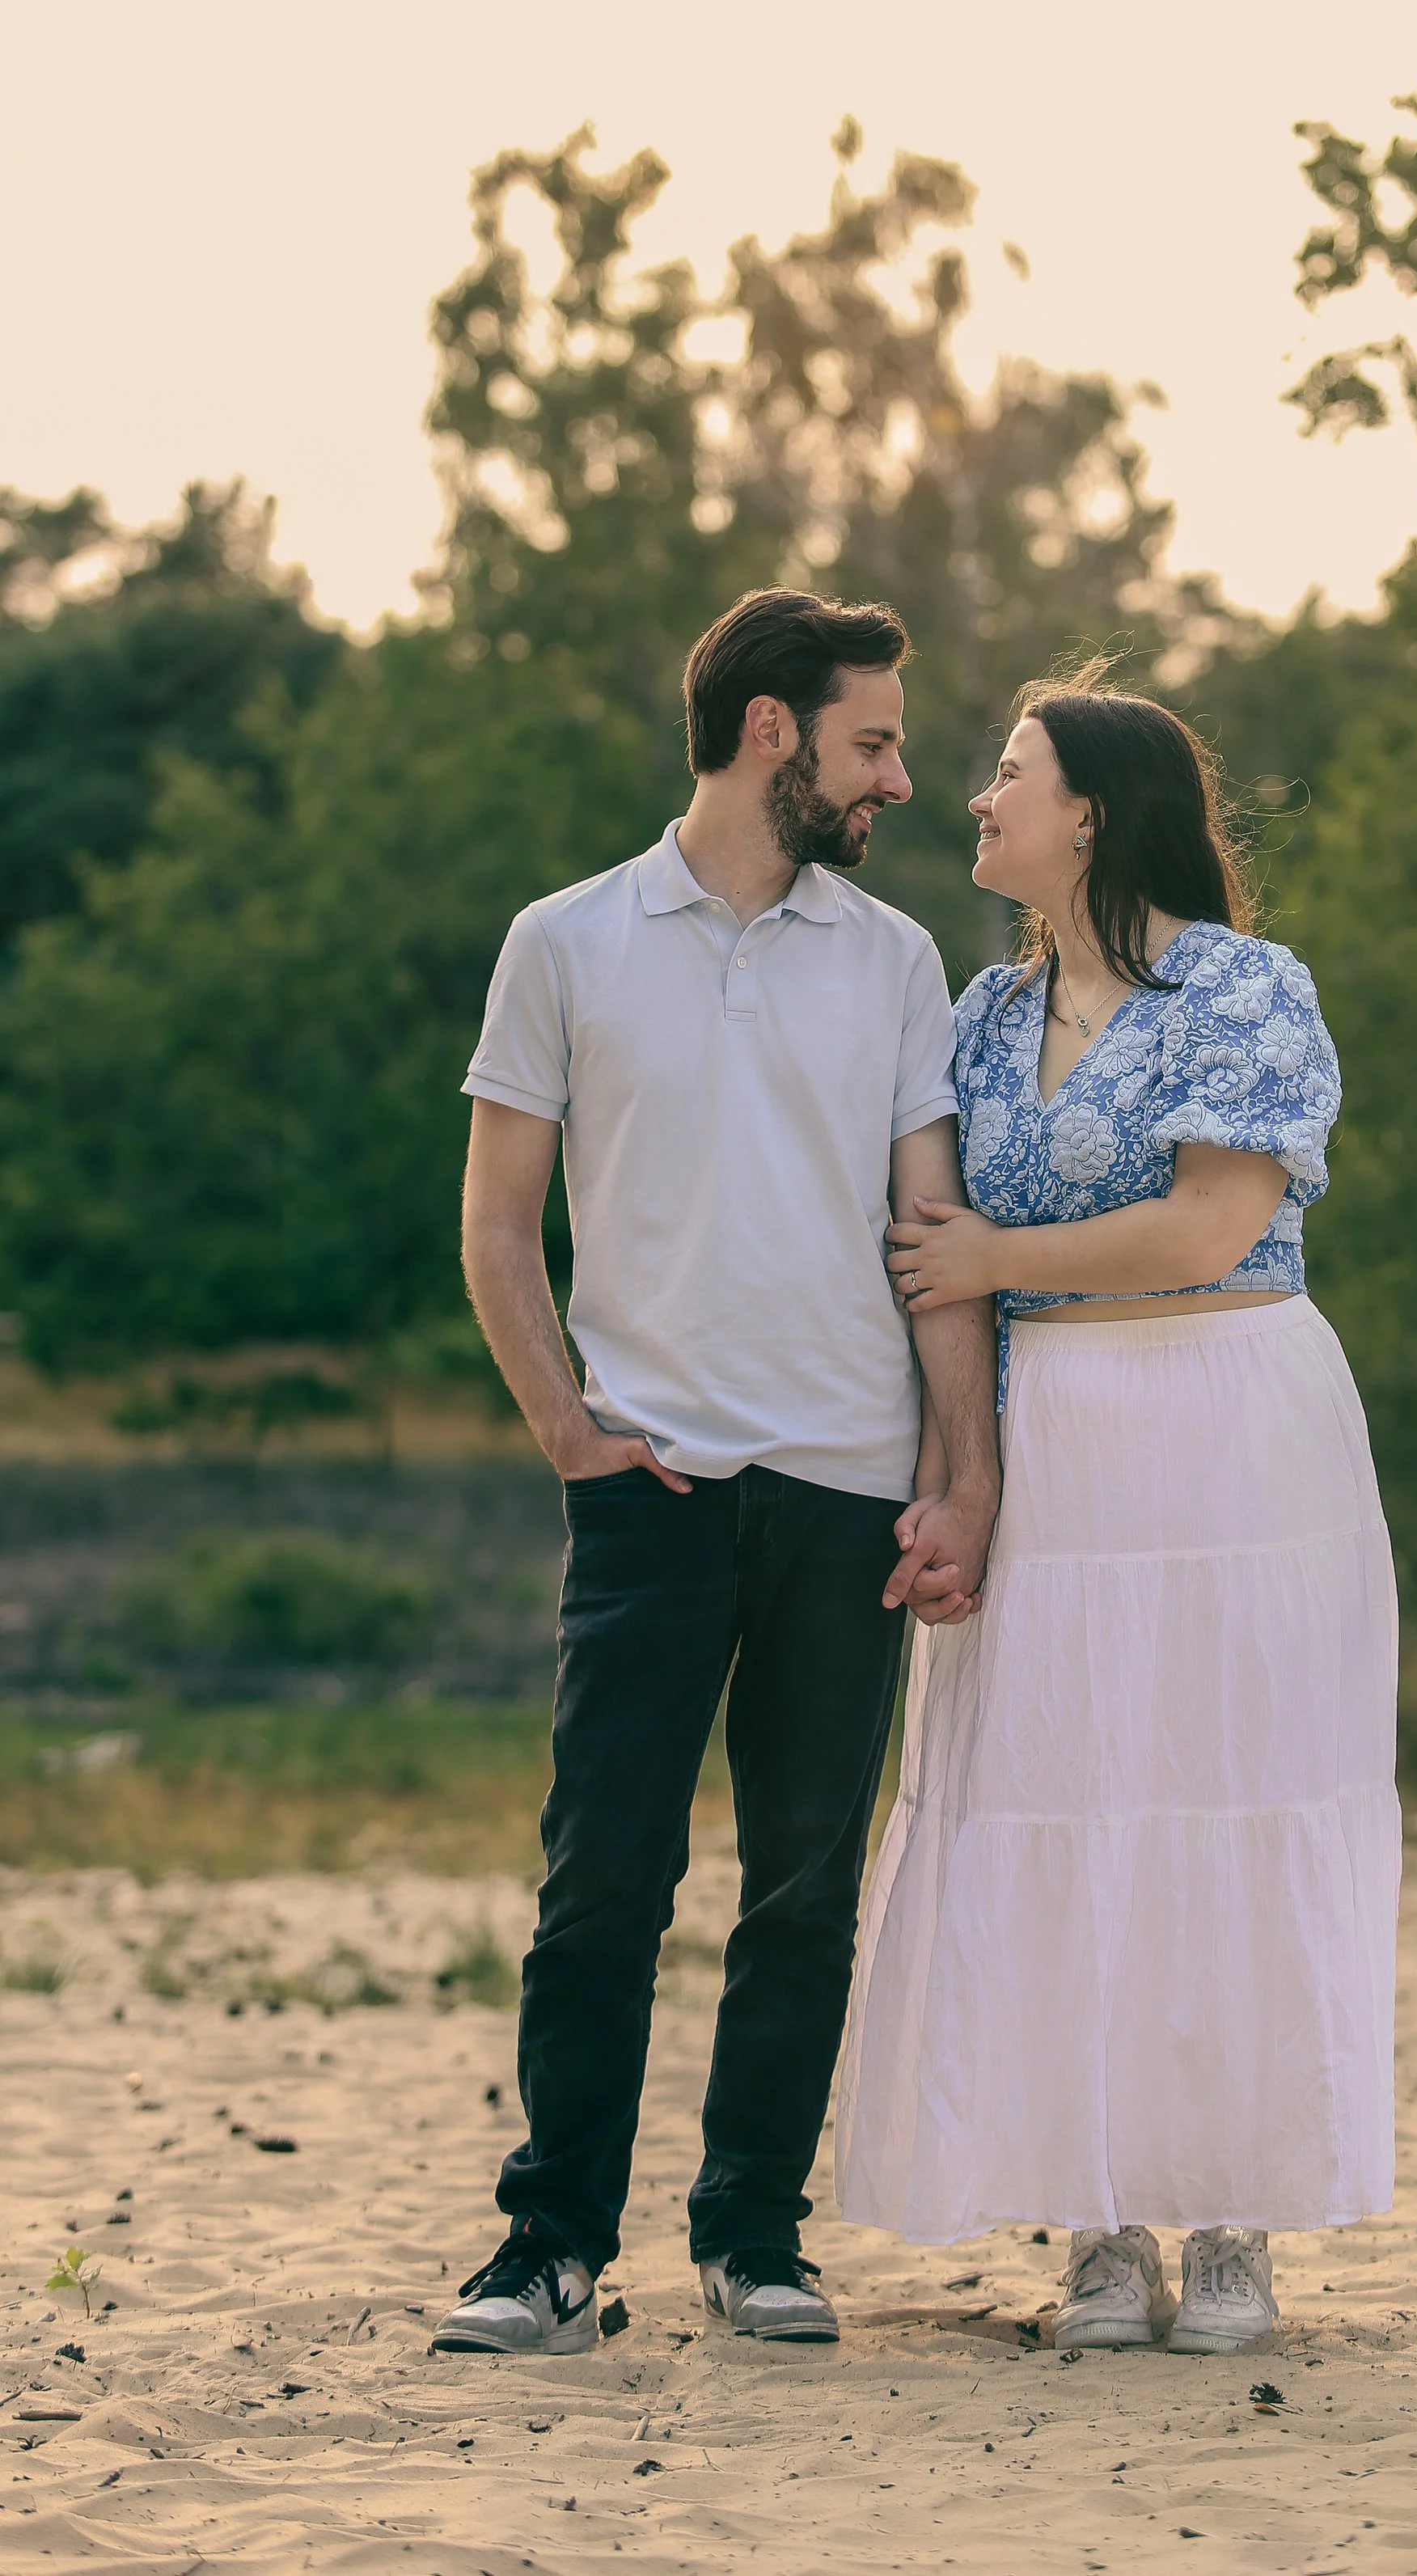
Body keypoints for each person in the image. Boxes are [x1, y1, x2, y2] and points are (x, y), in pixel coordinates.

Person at [431, 587, 998, 2358]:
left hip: (844, 1490)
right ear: (773, 733)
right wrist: (572, 1440)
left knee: (803, 1889)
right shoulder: (567, 941)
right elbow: (497, 1225)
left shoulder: (895, 960)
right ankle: (549, 2250)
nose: (897, 778)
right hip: (650, 1488)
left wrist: (952, 1472)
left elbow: (930, 1234)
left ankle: (754, 2234)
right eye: (873, 741)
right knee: (601, 1879)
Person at [834, 674, 1399, 2355]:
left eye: (1007, 775)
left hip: (1227, 1420)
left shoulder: (1243, 987)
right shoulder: (974, 1015)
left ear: (1091, 808)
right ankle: (1095, 2226)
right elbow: (915, 1232)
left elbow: (1207, 1223)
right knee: (1059, 1802)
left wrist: (994, 1259)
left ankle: (1231, 2227)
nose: (976, 799)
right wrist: (955, 1464)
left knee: (1227, 1800)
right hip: (1052, 1439)